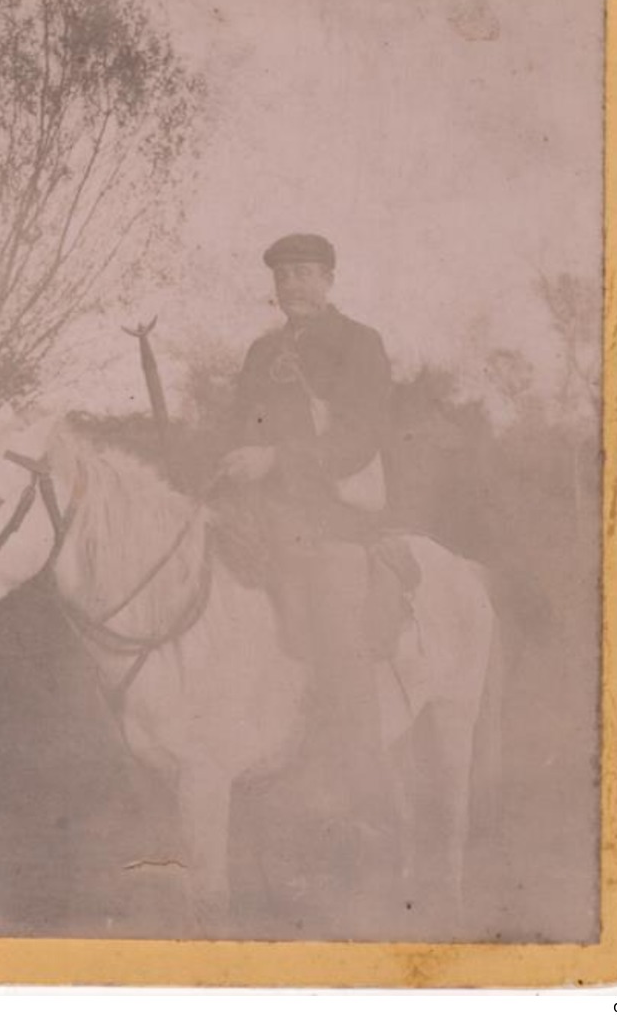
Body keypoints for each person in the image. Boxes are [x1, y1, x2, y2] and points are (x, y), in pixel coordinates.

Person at [219, 232, 410, 822]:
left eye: (304, 273)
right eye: (283, 277)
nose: (292, 286)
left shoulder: (359, 344)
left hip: (333, 526)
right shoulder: (260, 354)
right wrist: (228, 469)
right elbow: (240, 431)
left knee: (337, 647)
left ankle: (367, 802)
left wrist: (276, 459)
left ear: (329, 280)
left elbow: (359, 438)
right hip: (262, 523)